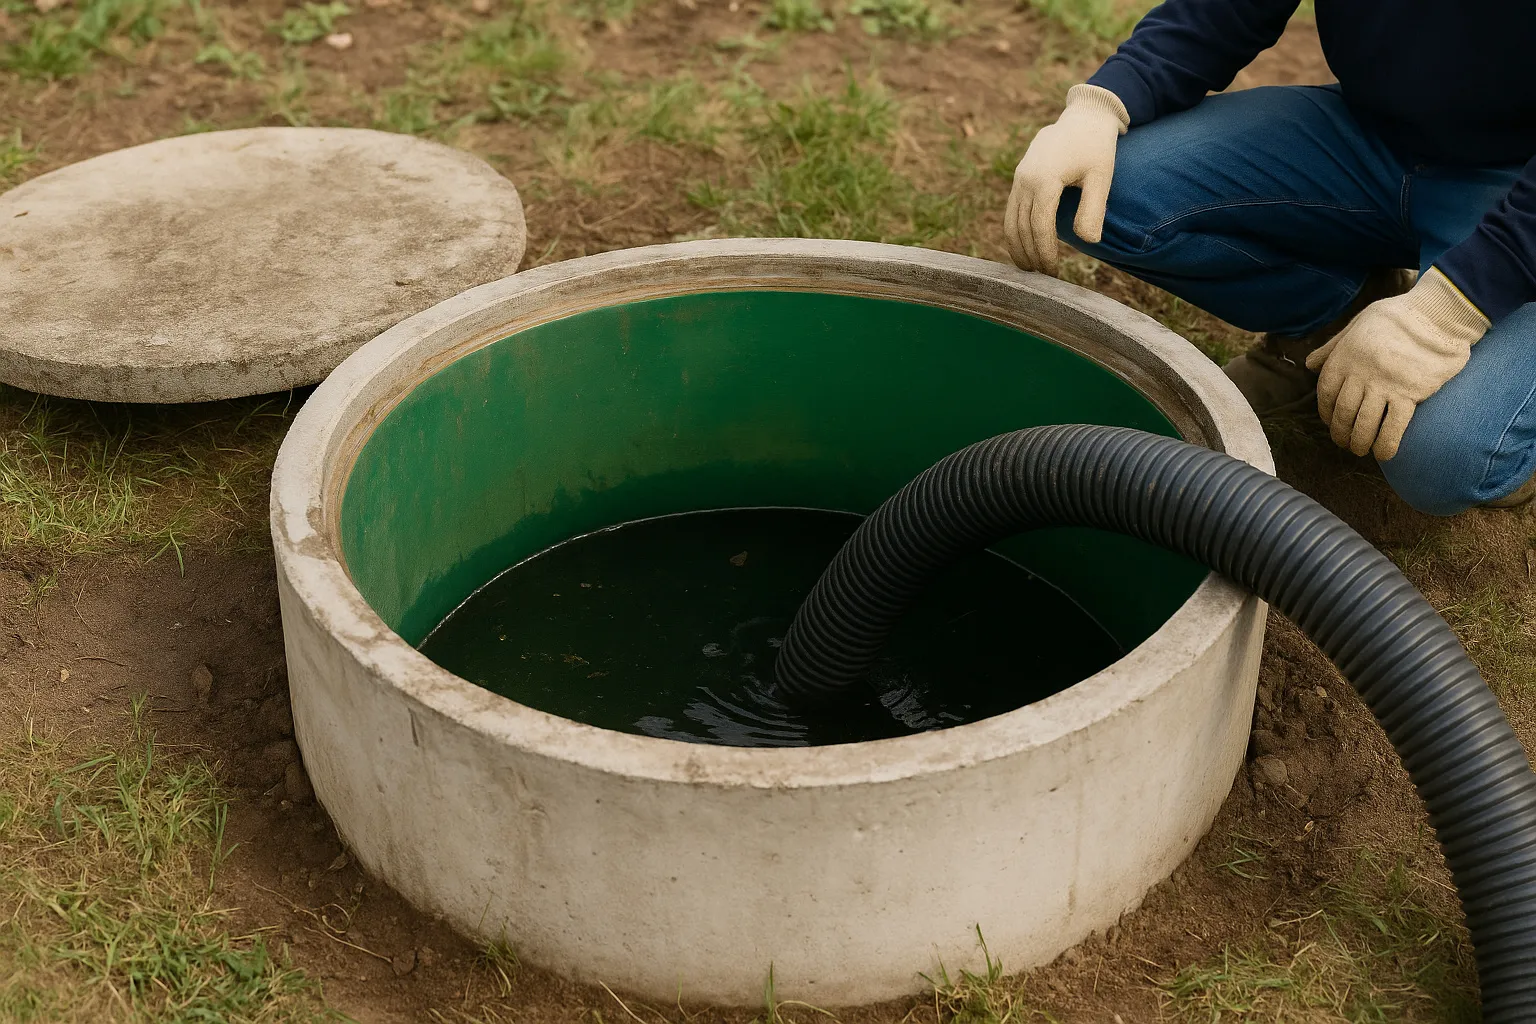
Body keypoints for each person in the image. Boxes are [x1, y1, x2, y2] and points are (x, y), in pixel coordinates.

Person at [1003, 1, 1536, 515]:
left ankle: (1516, 417)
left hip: (1515, 179)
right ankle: (1336, 317)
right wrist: (1102, 103)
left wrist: (1447, 312)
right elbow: (1224, 10)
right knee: (1093, 194)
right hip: (1366, 138)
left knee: (1439, 457)